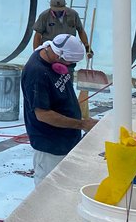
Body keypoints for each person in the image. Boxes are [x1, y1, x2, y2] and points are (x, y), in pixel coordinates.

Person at [20, 33, 99, 184]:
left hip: (66, 137)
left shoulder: (51, 55)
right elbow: (43, 115)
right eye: (70, 63)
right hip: (50, 143)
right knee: (47, 188)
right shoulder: (36, 73)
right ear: (59, 56)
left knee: (65, 183)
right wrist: (82, 124)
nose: (70, 67)